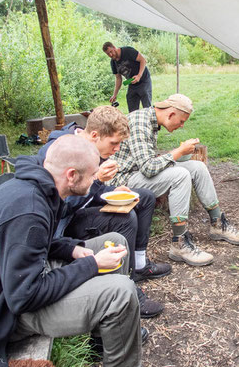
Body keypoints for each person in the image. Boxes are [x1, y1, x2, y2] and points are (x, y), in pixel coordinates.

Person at [0, 135, 172, 367]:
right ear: (71, 175)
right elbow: (25, 295)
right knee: (120, 291)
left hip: (9, 287)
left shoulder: (36, 188)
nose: (95, 182)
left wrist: (71, 250)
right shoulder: (29, 209)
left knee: (116, 242)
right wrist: (92, 265)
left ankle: (105, 340)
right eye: (92, 176)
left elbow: (29, 247)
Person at [38, 106, 170, 318]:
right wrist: (98, 179)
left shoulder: (92, 147)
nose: (117, 149)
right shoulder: (61, 151)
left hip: (79, 207)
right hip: (62, 225)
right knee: (125, 218)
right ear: (94, 135)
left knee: (143, 197)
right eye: (114, 143)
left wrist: (110, 190)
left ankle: (139, 263)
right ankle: (127, 287)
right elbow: (60, 206)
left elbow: (90, 189)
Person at [110, 94, 239, 267]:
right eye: (181, 121)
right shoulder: (140, 122)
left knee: (198, 167)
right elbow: (148, 167)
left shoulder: (151, 121)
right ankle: (179, 243)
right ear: (170, 114)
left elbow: (146, 160)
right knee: (180, 175)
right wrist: (178, 152)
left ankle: (218, 223)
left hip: (137, 171)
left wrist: (179, 154)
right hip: (123, 181)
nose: (182, 125)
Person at [103, 41, 152, 113]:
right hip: (132, 84)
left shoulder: (127, 51)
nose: (110, 54)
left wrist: (139, 76)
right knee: (131, 105)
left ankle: (150, 122)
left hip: (143, 80)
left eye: (111, 51)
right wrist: (114, 95)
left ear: (114, 47)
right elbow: (118, 78)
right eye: (108, 54)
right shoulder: (113, 62)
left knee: (147, 107)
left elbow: (143, 60)